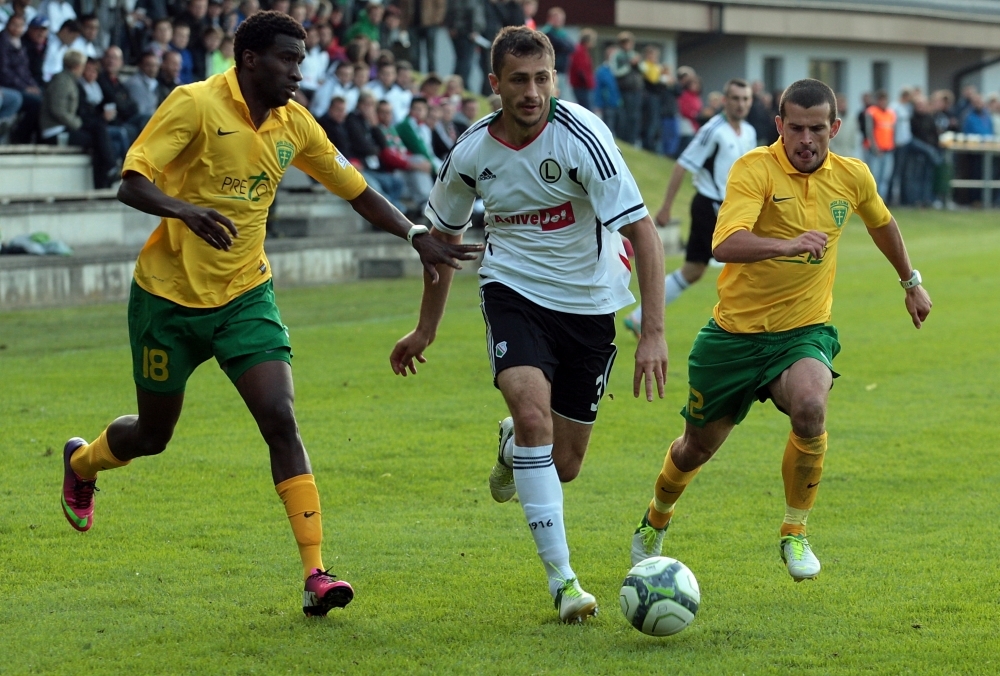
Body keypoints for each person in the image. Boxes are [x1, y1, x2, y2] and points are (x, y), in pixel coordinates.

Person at [58, 10, 481, 618]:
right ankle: (82, 460)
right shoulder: (194, 103)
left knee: (280, 417)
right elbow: (130, 183)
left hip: (245, 295)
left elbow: (355, 188)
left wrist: (414, 233)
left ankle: (316, 572)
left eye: (302, 60)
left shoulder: (294, 124)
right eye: (287, 59)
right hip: (166, 300)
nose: (298, 73)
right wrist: (184, 211)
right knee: (153, 436)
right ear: (250, 59)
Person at [389, 25, 667, 623]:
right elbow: (442, 242)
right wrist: (426, 329)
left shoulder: (584, 136)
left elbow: (644, 232)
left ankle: (513, 446)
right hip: (513, 291)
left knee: (562, 463)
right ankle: (564, 583)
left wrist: (653, 332)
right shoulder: (470, 152)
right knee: (534, 412)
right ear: (495, 85)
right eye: (519, 80)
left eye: (543, 79)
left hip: (592, 304)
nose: (533, 92)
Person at [628, 78, 932, 585]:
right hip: (733, 336)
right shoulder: (754, 169)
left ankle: (795, 530)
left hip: (802, 331)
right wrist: (788, 244)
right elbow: (725, 243)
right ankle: (656, 517)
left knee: (812, 405)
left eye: (817, 128)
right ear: (779, 126)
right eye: (796, 127)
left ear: (834, 128)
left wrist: (910, 281)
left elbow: (882, 222)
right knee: (694, 449)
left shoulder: (852, 176)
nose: (806, 139)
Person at [623, 79, 755, 335]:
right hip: (710, 207)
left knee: (693, 271)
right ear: (725, 101)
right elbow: (683, 164)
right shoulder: (713, 130)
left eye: (745, 99)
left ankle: (639, 317)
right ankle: (746, 329)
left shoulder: (748, 131)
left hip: (730, 209)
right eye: (735, 98)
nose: (740, 104)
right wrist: (666, 207)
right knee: (748, 266)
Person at [864, 90, 896, 200]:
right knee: (875, 177)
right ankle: (872, 200)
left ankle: (882, 200)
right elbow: (869, 131)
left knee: (885, 178)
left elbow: (893, 131)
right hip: (876, 151)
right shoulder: (872, 112)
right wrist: (874, 148)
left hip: (888, 150)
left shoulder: (890, 113)